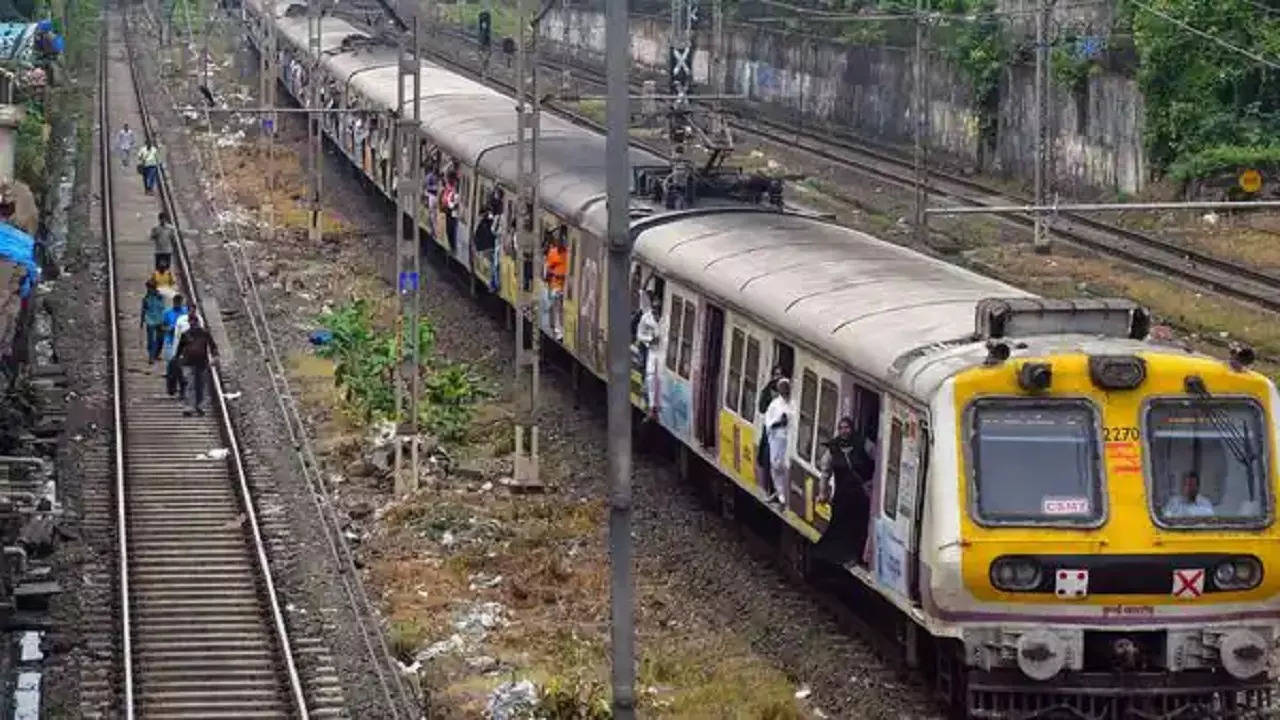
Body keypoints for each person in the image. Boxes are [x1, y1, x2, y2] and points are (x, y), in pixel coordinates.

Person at [816, 417, 875, 566]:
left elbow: (879, 461)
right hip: (842, 493)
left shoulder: (864, 444)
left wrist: (872, 483)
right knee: (840, 524)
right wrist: (823, 492)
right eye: (841, 428)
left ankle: (857, 556)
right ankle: (839, 556)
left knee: (859, 525)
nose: (844, 431)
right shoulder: (833, 447)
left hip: (860, 494)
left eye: (847, 427)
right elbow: (825, 471)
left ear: (852, 428)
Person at [176, 314, 218, 416]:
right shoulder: (186, 334)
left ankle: (199, 406)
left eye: (194, 321)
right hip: (188, 363)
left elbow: (212, 346)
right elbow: (180, 349)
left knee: (200, 385)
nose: (193, 324)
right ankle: (189, 407)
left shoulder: (204, 334)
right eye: (191, 322)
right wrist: (178, 359)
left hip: (202, 363)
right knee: (190, 384)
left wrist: (215, 357)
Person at [763, 378, 793, 508]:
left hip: (789, 438)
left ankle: (784, 495)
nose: (784, 390)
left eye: (786, 388)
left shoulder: (793, 403)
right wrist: (780, 423)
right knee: (775, 464)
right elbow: (768, 423)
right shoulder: (775, 404)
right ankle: (779, 493)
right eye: (782, 388)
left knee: (786, 465)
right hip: (777, 438)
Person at [635, 292, 661, 416]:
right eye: (655, 308)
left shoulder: (665, 318)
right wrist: (650, 339)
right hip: (648, 348)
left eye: (658, 308)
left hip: (660, 351)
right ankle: (649, 402)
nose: (657, 311)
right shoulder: (646, 318)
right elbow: (639, 335)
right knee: (649, 375)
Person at [161, 295, 190, 398]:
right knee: (171, 365)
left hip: (183, 342)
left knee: (181, 366)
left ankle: (182, 387)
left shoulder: (186, 312)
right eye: (176, 302)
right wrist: (169, 329)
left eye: (179, 302)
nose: (177, 304)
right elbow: (162, 326)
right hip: (171, 342)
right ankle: (171, 387)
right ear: (173, 302)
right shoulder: (167, 313)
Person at [544, 229, 567, 341]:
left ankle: (562, 330)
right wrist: (555, 275)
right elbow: (547, 270)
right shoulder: (553, 253)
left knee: (562, 309)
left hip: (566, 287)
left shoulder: (568, 254)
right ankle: (559, 331)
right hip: (556, 286)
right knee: (557, 308)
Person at [139, 279, 167, 364]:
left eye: (150, 288)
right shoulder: (146, 298)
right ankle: (151, 356)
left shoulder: (160, 296)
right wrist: (142, 321)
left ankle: (156, 354)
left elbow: (163, 308)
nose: (149, 290)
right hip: (150, 320)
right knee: (151, 339)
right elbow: (143, 310)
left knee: (160, 339)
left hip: (160, 319)